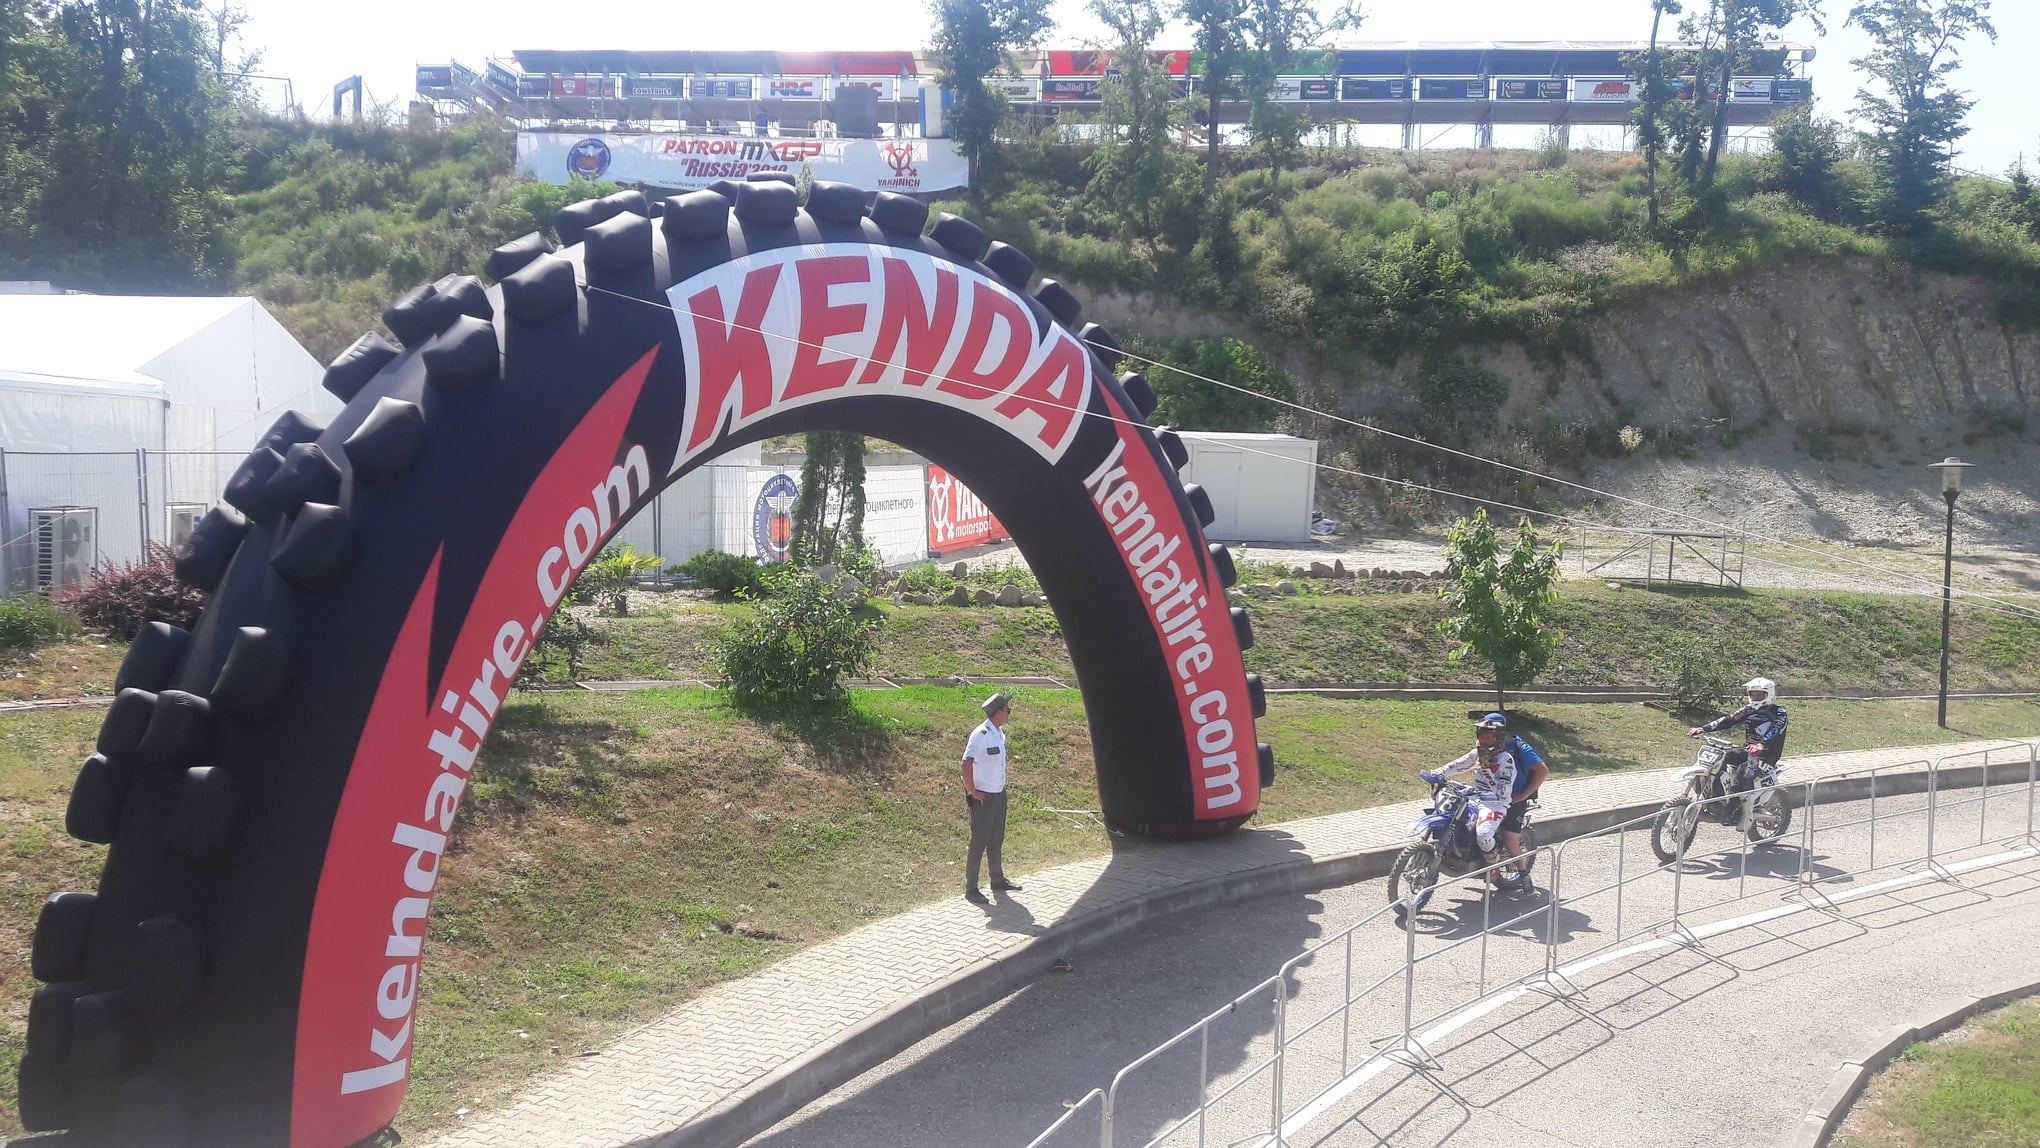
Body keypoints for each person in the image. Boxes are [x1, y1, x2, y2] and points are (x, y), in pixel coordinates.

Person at [1419, 715, 1518, 881]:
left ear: (1498, 739)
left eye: (1488, 738)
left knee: (1483, 833)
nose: (1483, 741)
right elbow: (1459, 764)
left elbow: (1503, 790)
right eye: (1481, 737)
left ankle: (1493, 867)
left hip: (1496, 803)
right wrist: (1439, 772)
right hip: (1475, 796)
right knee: (1452, 814)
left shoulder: (1506, 760)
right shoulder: (1477, 754)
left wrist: (1486, 772)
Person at [962, 693, 1022, 904]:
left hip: (999, 795)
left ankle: (997, 880)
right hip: (984, 798)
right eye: (1007, 710)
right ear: (997, 712)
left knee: (996, 840)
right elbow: (966, 763)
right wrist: (972, 791)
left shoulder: (999, 733)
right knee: (979, 843)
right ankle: (971, 888)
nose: (1009, 713)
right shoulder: (981, 734)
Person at [1687, 676, 1789, 790]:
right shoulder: (1748, 709)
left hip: (1766, 756)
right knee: (1720, 761)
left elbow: (1776, 730)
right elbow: (1729, 719)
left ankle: (1739, 801)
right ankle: (1717, 794)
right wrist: (1703, 729)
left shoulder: (1779, 713)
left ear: (1769, 694)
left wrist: (1762, 744)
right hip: (1748, 751)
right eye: (1753, 694)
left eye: (1759, 695)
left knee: (1744, 774)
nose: (1755, 698)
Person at [1487, 712, 1548, 885]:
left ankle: (1523, 876)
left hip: (1515, 800)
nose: (1487, 736)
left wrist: (1524, 795)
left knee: (1510, 838)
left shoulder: (1521, 747)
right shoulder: (1486, 746)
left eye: (1491, 732)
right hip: (1491, 797)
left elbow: (1542, 770)